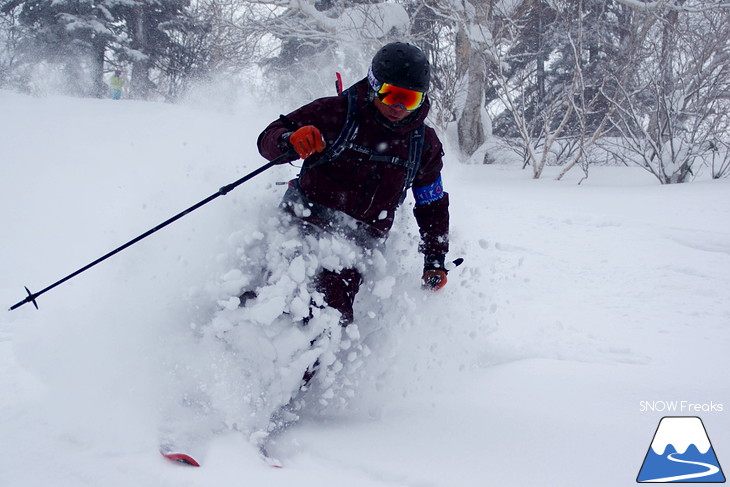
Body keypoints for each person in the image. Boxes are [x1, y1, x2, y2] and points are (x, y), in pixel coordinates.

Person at [257, 41, 450, 336]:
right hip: (302, 221)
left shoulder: (423, 144)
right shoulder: (335, 112)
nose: (398, 108)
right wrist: (290, 139)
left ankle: (304, 376)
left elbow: (431, 204)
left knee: (329, 320)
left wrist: (434, 260)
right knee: (274, 294)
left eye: (409, 100)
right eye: (392, 95)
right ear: (374, 85)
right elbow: (268, 138)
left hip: (356, 244)